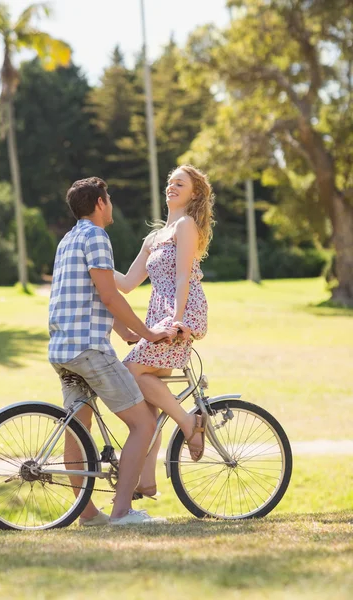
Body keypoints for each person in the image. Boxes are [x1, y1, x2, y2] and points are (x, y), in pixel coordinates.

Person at [48, 176, 177, 526]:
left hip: (63, 349)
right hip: (89, 350)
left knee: (79, 430)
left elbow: (90, 297)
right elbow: (110, 295)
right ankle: (122, 512)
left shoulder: (69, 239)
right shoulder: (96, 236)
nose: (112, 204)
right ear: (100, 203)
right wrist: (149, 332)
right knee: (143, 424)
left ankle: (87, 515)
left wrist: (127, 333)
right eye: (109, 198)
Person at [115, 164, 215, 499]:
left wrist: (176, 320)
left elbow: (182, 276)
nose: (171, 187)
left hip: (180, 314)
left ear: (194, 193)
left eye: (180, 183)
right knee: (148, 401)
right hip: (158, 316)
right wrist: (92, 264)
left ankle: (188, 423)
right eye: (170, 182)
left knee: (131, 371)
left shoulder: (186, 226)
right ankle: (145, 482)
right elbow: (128, 283)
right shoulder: (154, 237)